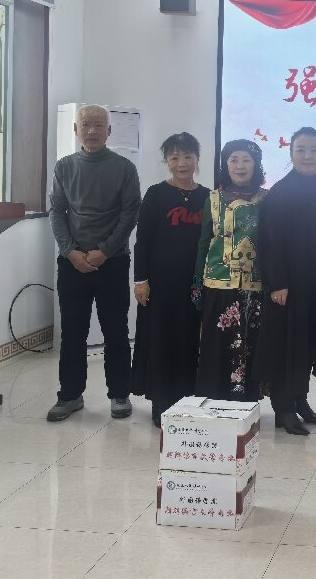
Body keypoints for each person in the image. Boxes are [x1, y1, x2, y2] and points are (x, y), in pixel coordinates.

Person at [47, 104, 141, 422]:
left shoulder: (124, 168)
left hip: (112, 262)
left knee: (116, 330)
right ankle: (70, 395)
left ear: (109, 131)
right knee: (73, 332)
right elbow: (57, 212)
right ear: (76, 130)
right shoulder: (64, 167)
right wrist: (70, 251)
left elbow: (130, 213)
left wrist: (104, 251)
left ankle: (119, 394)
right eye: (85, 124)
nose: (91, 130)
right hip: (71, 263)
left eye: (99, 125)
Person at [256, 127, 316, 435]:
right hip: (287, 285)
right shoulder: (279, 192)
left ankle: (300, 400)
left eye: (314, 150)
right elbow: (270, 242)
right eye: (301, 150)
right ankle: (283, 408)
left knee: (308, 344)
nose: (308, 156)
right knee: (286, 345)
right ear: (291, 154)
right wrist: (277, 282)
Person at [131, 133, 209, 426]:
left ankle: (188, 398)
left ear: (197, 159)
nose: (182, 163)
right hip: (161, 284)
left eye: (188, 156)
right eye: (175, 157)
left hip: (196, 284)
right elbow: (143, 240)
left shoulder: (208, 196)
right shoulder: (156, 194)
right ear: (167, 161)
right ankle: (160, 401)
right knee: (161, 339)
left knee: (190, 339)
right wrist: (141, 280)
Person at [193, 140, 266, 402]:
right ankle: (213, 402)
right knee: (217, 347)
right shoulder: (213, 199)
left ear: (256, 165)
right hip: (219, 284)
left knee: (250, 345)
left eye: (246, 160)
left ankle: (245, 404)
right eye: (234, 159)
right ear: (226, 164)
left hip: (255, 287)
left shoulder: (266, 199)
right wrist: (197, 284)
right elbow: (204, 243)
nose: (240, 166)